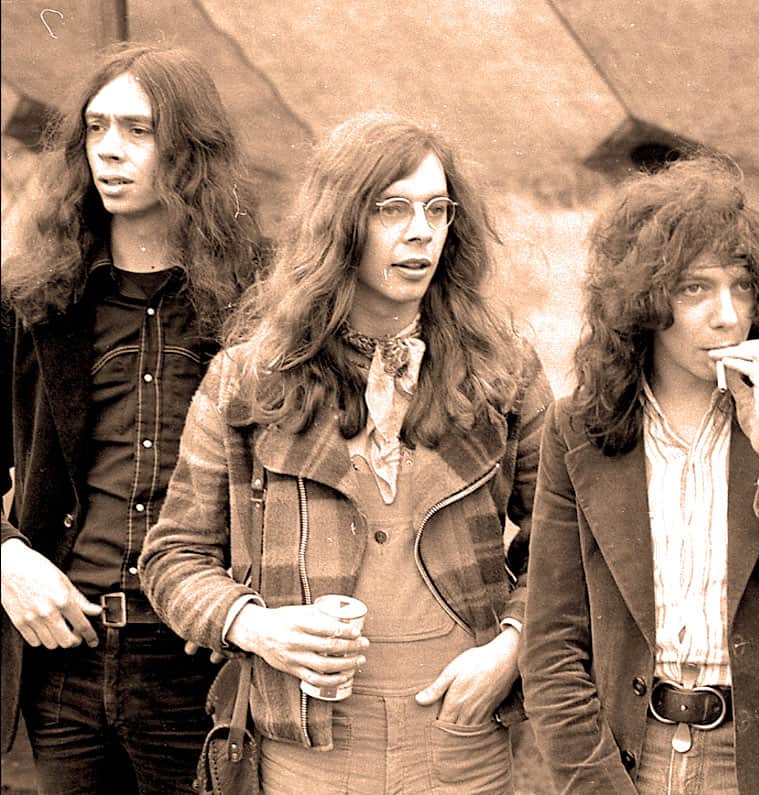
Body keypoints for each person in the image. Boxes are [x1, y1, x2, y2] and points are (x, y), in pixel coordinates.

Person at [138, 111, 552, 794]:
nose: (421, 231)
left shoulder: (504, 374)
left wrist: (511, 649)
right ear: (340, 225)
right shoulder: (247, 379)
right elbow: (172, 555)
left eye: (437, 208)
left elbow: (563, 547)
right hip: (306, 750)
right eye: (392, 208)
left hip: (462, 739)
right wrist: (256, 626)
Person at [522, 157, 759, 794]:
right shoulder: (578, 428)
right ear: (643, 302)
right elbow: (553, 645)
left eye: (743, 287)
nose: (727, 315)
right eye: (695, 288)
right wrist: (597, 785)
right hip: (633, 756)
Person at [1, 43, 268, 792]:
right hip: (64, 655)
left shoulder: (263, 301)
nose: (109, 150)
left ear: (190, 147)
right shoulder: (31, 300)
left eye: (138, 130)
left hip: (200, 659)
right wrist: (7, 555)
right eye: (95, 127)